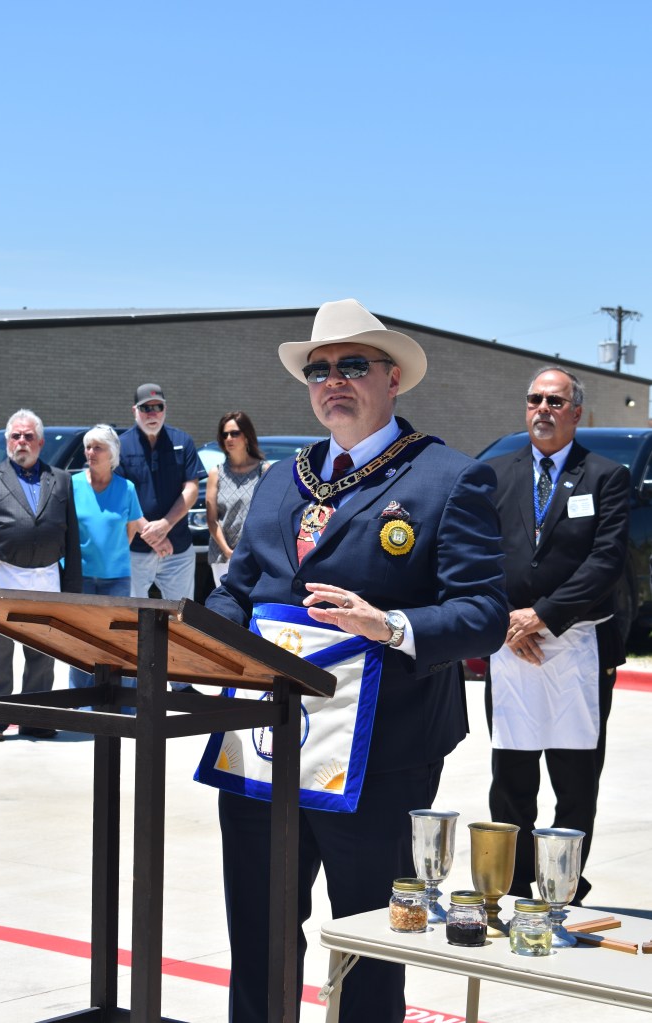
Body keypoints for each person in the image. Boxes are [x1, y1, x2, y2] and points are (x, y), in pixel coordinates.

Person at [196, 298, 508, 1022]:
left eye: (352, 365)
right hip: (263, 746)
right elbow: (237, 590)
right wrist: (203, 644)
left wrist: (388, 625)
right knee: (258, 934)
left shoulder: (447, 477)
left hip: (381, 754)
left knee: (369, 944)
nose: (332, 380)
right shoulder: (283, 478)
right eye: (319, 370)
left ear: (393, 378)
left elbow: (482, 615)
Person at [484, 367, 630, 905]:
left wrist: (541, 616)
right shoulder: (495, 474)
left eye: (555, 401)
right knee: (512, 776)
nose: (542, 408)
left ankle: (563, 888)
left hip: (578, 646)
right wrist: (506, 620)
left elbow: (605, 562)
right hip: (509, 644)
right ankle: (517, 886)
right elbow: (476, 555)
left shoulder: (605, 476)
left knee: (575, 779)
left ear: (576, 412)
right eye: (534, 399)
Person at [0, 409, 82, 740]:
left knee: (43, 652)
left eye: (28, 436)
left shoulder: (61, 480)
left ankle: (37, 718)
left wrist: (73, 588)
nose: (22, 441)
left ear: (40, 442)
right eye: (16, 436)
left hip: (48, 577)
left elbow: (71, 537)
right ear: (8, 441)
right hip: (4, 577)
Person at [68, 424, 169, 701]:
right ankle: (79, 701)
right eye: (88, 447)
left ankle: (121, 702)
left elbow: (132, 526)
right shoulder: (72, 485)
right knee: (79, 641)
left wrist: (154, 541)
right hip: (80, 577)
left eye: (98, 448)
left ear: (111, 454)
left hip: (116, 578)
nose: (90, 452)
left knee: (117, 642)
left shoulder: (126, 488)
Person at [117, 383, 200, 692]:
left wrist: (165, 525)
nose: (152, 413)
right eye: (145, 408)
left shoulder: (182, 442)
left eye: (158, 407)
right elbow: (119, 493)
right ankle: (130, 685)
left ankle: (181, 684)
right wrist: (150, 532)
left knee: (181, 616)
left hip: (177, 550)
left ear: (165, 409)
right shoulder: (121, 445)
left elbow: (191, 489)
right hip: (135, 550)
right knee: (131, 617)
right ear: (134, 411)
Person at [206, 411, 269, 586]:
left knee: (253, 602)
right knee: (225, 602)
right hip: (223, 556)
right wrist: (228, 551)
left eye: (234, 433)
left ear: (247, 436)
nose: (229, 438)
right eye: (224, 434)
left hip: (255, 555)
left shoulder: (264, 470)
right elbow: (211, 519)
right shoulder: (216, 473)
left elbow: (268, 516)